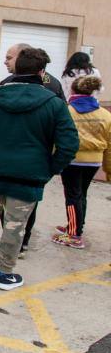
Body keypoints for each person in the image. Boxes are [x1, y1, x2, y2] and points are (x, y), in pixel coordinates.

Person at [0, 47, 78, 290]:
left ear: (16, 68)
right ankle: (5, 274)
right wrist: (50, 169)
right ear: (41, 72)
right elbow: (69, 144)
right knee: (15, 224)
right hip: (29, 175)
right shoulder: (54, 104)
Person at [0, 44, 65, 258]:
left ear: (22, 60)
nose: (5, 61)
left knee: (11, 202)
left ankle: (14, 244)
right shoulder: (53, 84)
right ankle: (19, 243)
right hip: (33, 160)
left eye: (9, 57)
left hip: (15, 157)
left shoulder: (11, 85)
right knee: (25, 202)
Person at [51, 76, 111, 249]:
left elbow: (58, 136)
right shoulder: (105, 114)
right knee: (81, 193)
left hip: (73, 159)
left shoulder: (68, 111)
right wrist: (108, 167)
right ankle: (76, 225)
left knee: (72, 195)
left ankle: (74, 234)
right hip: (94, 161)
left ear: (73, 91)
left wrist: (53, 158)